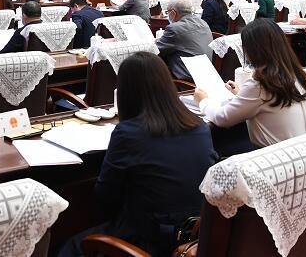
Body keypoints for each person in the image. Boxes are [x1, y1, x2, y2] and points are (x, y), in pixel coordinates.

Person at [60, 53, 216, 257]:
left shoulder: (128, 134)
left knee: (69, 247)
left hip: (151, 241)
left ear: (126, 93)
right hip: (195, 236)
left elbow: (105, 199)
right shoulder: (199, 126)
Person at [195, 19, 306, 148]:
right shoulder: (297, 75)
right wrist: (241, 94)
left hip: (279, 156)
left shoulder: (261, 84)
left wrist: (203, 101)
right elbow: (266, 103)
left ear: (252, 51)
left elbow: (223, 118)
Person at [155, 0, 213, 80]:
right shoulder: (203, 23)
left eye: (168, 12)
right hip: (207, 75)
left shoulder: (175, 28)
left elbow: (156, 50)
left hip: (188, 79)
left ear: (173, 13)